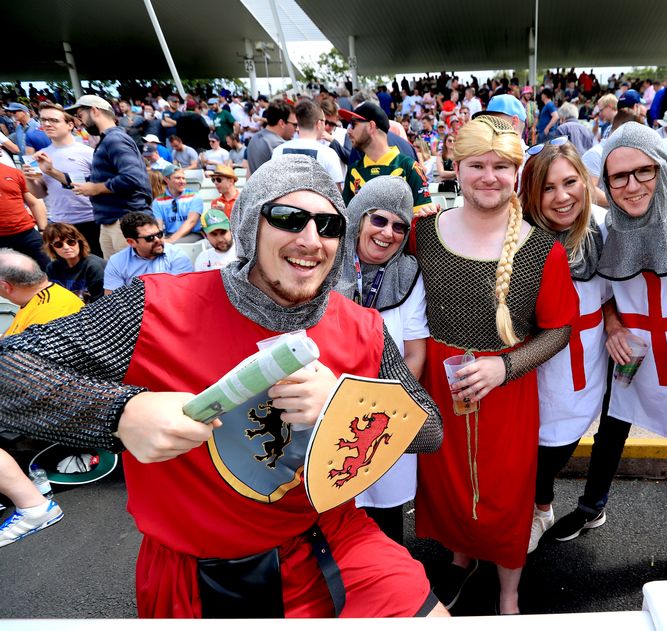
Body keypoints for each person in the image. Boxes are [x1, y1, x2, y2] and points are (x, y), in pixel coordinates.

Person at [0, 154, 446, 618]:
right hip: (197, 566)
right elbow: (8, 369)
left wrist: (344, 403)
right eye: (289, 218)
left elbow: (428, 428)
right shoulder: (156, 307)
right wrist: (119, 413)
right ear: (252, 225)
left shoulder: (363, 327)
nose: (311, 240)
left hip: (330, 541)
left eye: (330, 226)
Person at [412, 117, 577, 615]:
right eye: (477, 165)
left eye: (501, 167)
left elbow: (559, 330)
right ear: (455, 169)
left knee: (506, 494)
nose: (489, 176)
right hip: (440, 385)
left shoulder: (539, 249)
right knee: (447, 485)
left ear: (516, 171)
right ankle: (461, 558)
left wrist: (504, 369)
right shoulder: (423, 233)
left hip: (507, 391)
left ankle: (509, 594)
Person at [548, 122, 667, 542]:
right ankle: (592, 508)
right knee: (612, 428)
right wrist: (611, 323)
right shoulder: (605, 230)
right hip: (633, 352)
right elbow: (600, 287)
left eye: (643, 171)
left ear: (663, 170)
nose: (631, 185)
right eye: (619, 176)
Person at [517, 140, 609, 553]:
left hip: (586, 364)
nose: (562, 196)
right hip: (539, 364)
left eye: (570, 182)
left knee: (557, 448)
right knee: (533, 449)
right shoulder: (518, 239)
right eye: (549, 188)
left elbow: (618, 294)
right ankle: (539, 508)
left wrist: (618, 324)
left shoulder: (605, 229)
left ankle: (541, 504)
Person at [334, 176, 428, 545]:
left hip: (384, 415)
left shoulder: (408, 275)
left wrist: (384, 407)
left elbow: (415, 354)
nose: (388, 233)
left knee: (385, 523)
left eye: (398, 225)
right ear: (358, 217)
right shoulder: (327, 263)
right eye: (379, 220)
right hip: (326, 412)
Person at [0, 249, 83, 548]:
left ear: (7, 286)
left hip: (52, 400)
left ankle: (30, 506)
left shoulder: (47, 313)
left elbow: (28, 374)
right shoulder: (39, 298)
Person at [66, 95, 152, 259]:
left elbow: (132, 178)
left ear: (94, 110)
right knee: (118, 281)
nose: (79, 121)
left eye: (80, 115)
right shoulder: (108, 140)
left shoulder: (115, 139)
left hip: (125, 221)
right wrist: (51, 172)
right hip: (112, 222)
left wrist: (96, 188)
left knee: (135, 280)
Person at [25, 103, 100, 257]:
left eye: (53, 120)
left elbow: (96, 186)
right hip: (60, 222)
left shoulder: (88, 152)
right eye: (43, 120)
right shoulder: (41, 155)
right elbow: (40, 194)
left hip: (91, 220)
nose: (47, 124)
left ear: (70, 125)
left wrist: (52, 171)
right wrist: (29, 179)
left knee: (97, 267)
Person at [342, 103, 433, 215]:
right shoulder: (353, 170)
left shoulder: (409, 167)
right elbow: (346, 218)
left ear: (371, 126)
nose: (349, 131)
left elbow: (422, 220)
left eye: (353, 125)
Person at [103, 211, 192, 293]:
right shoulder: (117, 262)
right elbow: (112, 301)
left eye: (159, 234)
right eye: (150, 238)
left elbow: (182, 294)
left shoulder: (177, 255)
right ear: (131, 242)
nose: (157, 240)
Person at [272, 99, 344, 190]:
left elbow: (273, 186)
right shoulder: (329, 154)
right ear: (319, 123)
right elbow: (336, 194)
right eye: (324, 121)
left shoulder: (278, 151)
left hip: (285, 203)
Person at [0, 160, 49, 268]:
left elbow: (34, 203)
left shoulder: (14, 172)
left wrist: (43, 230)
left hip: (26, 233)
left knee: (47, 267)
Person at [42, 222, 107, 302]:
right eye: (58, 244)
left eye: (71, 242)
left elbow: (101, 302)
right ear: (52, 248)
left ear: (79, 242)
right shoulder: (52, 268)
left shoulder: (94, 266)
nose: (66, 247)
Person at [151, 166, 203, 243]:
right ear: (166, 179)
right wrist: (159, 239)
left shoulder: (194, 197)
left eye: (183, 178)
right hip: (169, 234)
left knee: (171, 245)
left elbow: (191, 222)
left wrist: (171, 240)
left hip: (192, 234)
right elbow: (158, 226)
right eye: (177, 178)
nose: (182, 181)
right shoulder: (157, 201)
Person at [247, 100, 297, 175]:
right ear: (282, 123)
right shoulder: (279, 145)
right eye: (295, 125)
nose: (296, 129)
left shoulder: (254, 139)